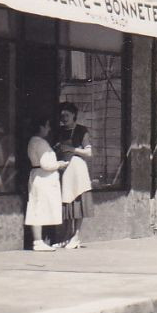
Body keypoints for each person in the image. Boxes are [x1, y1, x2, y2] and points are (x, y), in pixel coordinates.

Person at [51, 103, 93, 248]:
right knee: (67, 203)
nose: (64, 118)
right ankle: (67, 236)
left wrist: (72, 149)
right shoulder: (60, 131)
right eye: (62, 116)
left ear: (74, 115)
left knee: (78, 202)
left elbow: (88, 153)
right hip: (65, 169)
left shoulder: (82, 130)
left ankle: (76, 237)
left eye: (67, 115)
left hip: (77, 169)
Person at [24, 117, 68, 251]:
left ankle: (39, 240)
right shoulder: (41, 143)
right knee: (39, 208)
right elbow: (46, 164)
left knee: (37, 207)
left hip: (38, 177)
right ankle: (38, 241)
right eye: (47, 126)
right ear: (41, 127)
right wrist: (59, 164)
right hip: (43, 179)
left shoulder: (33, 141)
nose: (49, 129)